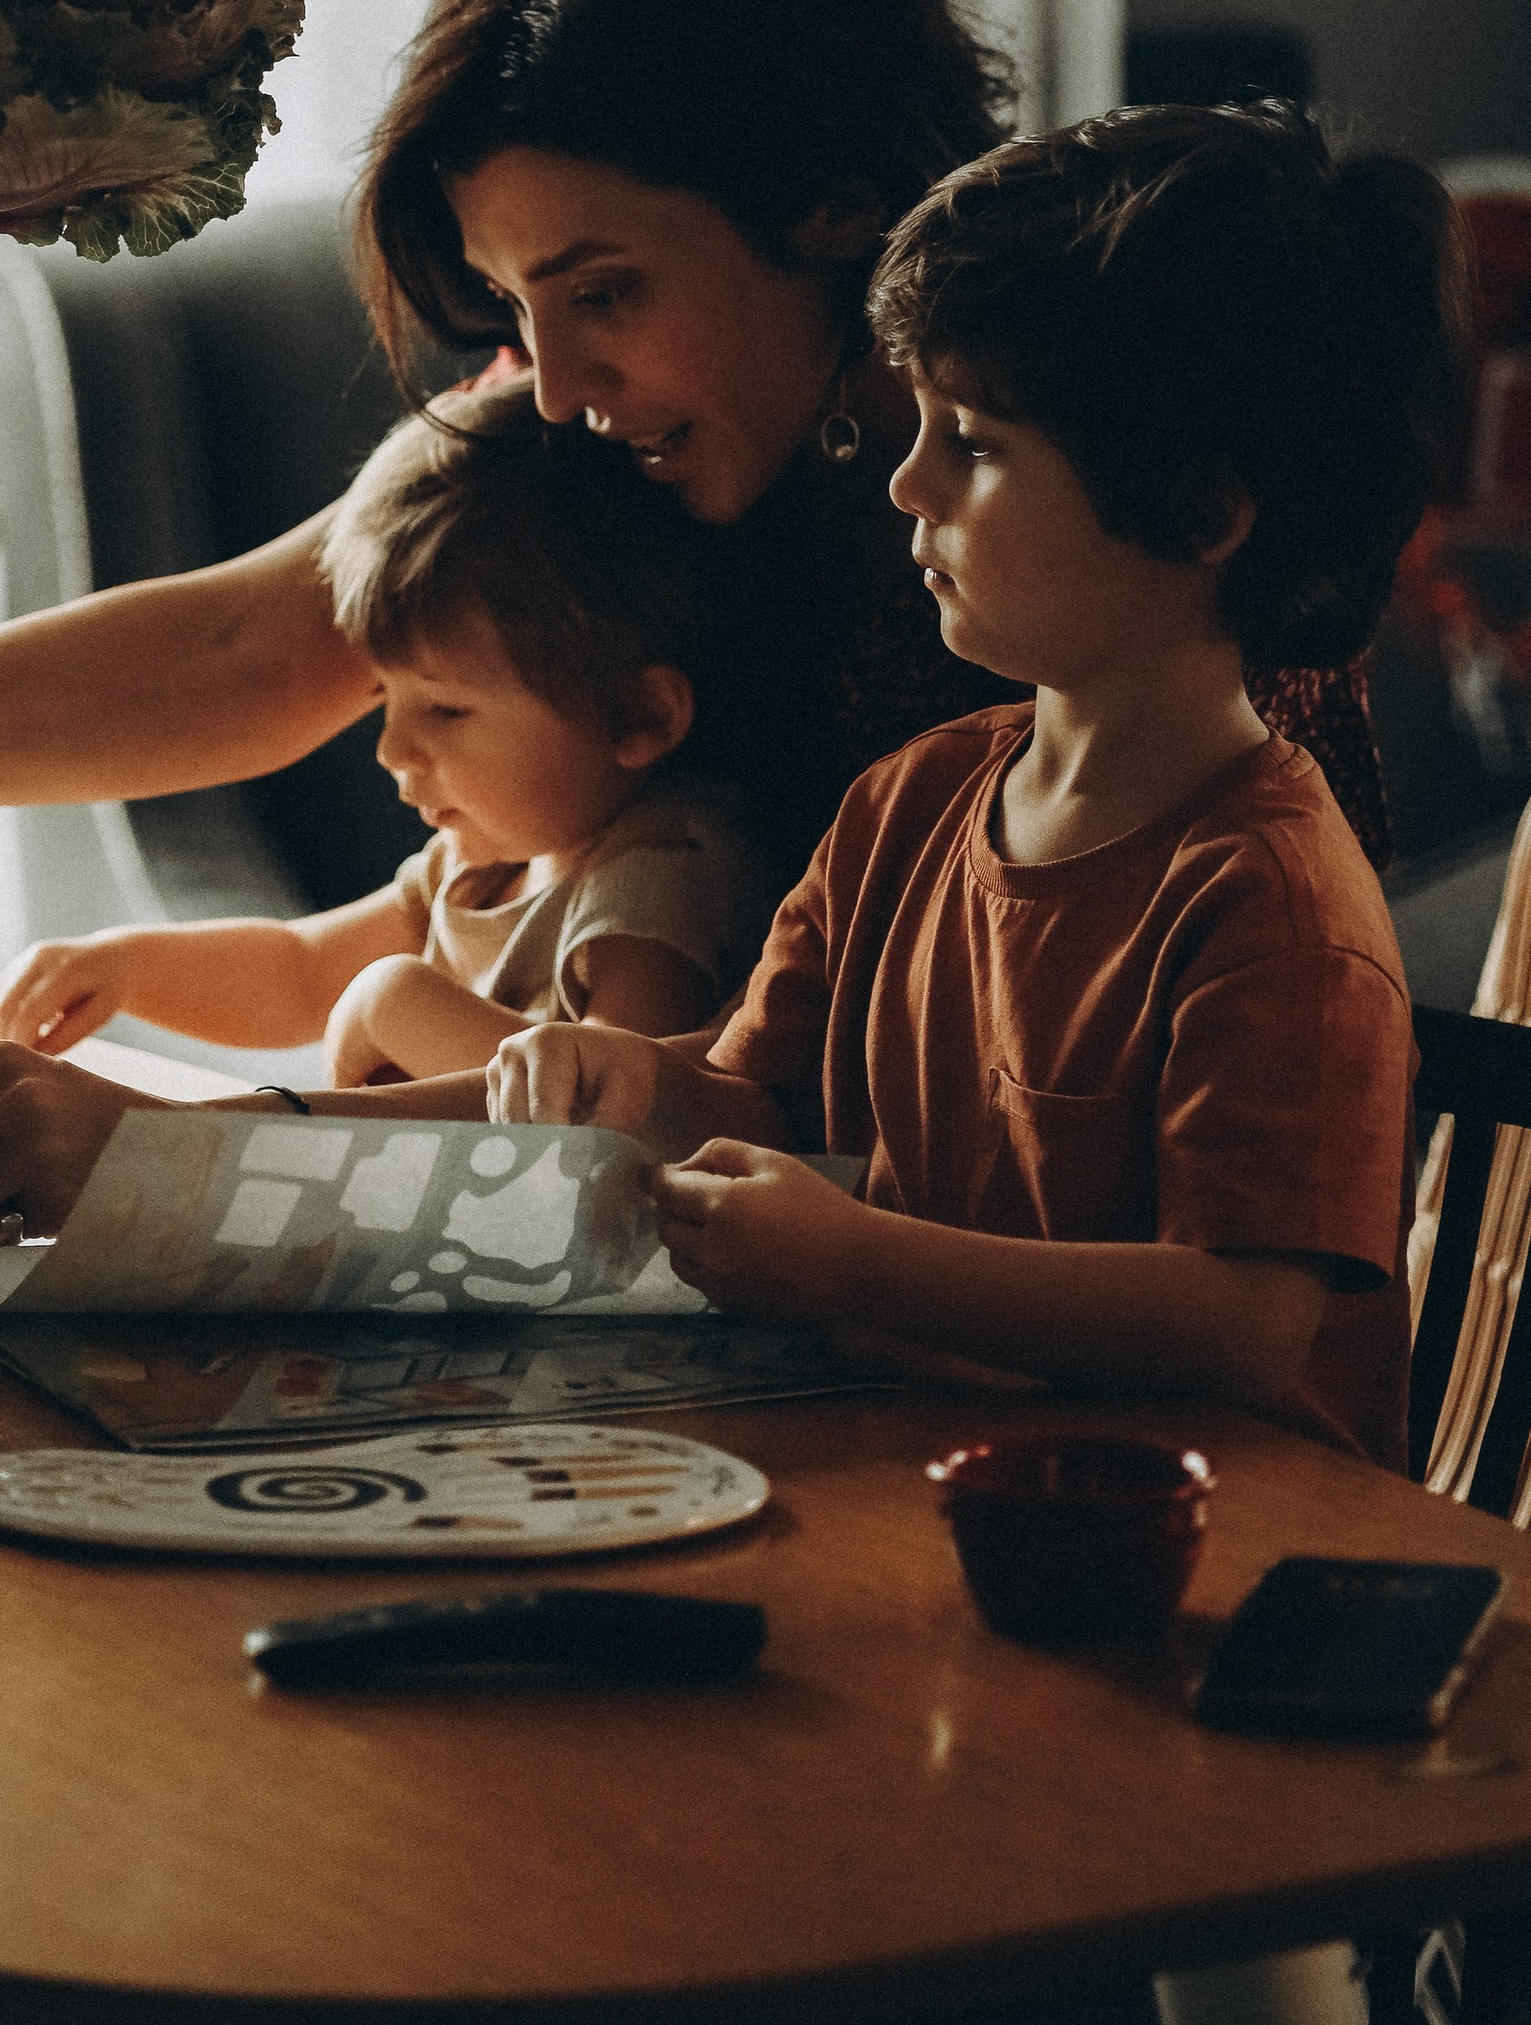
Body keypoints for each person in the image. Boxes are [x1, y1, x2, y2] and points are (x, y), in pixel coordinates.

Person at [0, 0, 1390, 1250]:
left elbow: (890, 1158)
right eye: (515, 309)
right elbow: (269, 640)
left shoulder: (1061, 553)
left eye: (605, 292)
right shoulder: (625, 429)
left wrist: (191, 1155)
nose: (553, 388)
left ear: (833, 206)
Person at [494, 101, 1464, 1463]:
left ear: (1197, 509)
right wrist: (627, 1088)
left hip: (1213, 1558)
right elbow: (765, 1098)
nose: (907, 483)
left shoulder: (1271, 903)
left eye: (978, 443)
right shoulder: (912, 801)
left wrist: (852, 1264)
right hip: (948, 1493)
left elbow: (1242, 1319)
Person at [0, 382, 762, 1080]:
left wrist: (394, 1008)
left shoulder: (659, 880)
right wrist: (125, 968)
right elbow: (300, 973)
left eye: (446, 709)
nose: (391, 750)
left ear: (641, 715)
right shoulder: (485, 861)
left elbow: (622, 1119)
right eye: (384, 695)